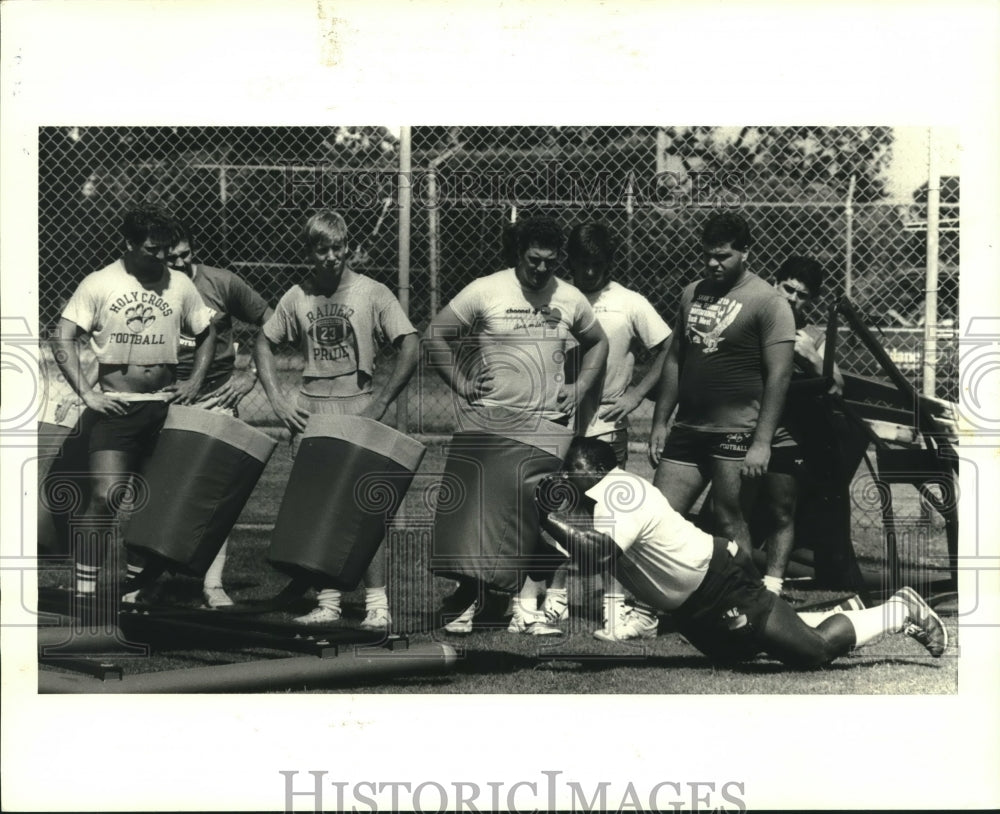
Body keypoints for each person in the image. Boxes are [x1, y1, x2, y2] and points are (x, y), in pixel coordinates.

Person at [540, 436, 948, 665]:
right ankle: (844, 609)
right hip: (693, 609)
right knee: (753, 649)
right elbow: (575, 552)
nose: (565, 478)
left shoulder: (617, 492)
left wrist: (545, 517)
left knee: (813, 652)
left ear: (592, 469)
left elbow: (600, 556)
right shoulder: (602, 500)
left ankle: (900, 611)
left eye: (570, 470)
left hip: (719, 583)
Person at [424, 215, 609, 635]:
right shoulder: (486, 289)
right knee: (482, 522)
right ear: (518, 254)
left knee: (538, 523)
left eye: (550, 261)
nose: (541, 269)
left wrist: (580, 387)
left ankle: (524, 610)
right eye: (533, 260)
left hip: (546, 427)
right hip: (491, 422)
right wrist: (461, 381)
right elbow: (434, 334)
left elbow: (599, 342)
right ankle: (470, 600)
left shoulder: (572, 298)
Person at [254, 209, 419, 629]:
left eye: (337, 247)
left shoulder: (372, 292)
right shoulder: (297, 296)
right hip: (312, 412)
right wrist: (278, 399)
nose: (330, 256)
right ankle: (328, 602)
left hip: (358, 404)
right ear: (309, 251)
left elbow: (411, 345)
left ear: (348, 248)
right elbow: (263, 342)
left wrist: (380, 403)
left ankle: (376, 604)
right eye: (321, 249)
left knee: (364, 509)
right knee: (318, 509)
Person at [51, 202, 216, 606]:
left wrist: (193, 381)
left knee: (157, 501)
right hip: (117, 409)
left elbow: (208, 331)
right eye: (151, 249)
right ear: (127, 244)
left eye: (165, 248)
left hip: (165, 408)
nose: (161, 257)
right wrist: (87, 394)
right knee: (106, 495)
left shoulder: (179, 284)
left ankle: (135, 588)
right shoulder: (100, 282)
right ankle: (85, 590)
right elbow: (63, 336)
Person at [543, 221, 671, 641]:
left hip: (606, 428)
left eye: (598, 264)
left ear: (609, 263)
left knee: (609, 518)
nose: (590, 273)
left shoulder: (630, 303)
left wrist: (635, 395)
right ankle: (554, 598)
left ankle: (613, 607)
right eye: (582, 264)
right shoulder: (555, 297)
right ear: (571, 262)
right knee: (557, 511)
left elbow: (668, 347)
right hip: (557, 424)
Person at [648, 212, 795, 556]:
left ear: (746, 252)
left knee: (729, 521)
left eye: (723, 256)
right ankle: (650, 607)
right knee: (658, 519)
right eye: (708, 255)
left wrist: (761, 443)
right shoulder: (691, 294)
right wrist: (659, 421)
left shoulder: (769, 302)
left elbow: (780, 376)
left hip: (736, 432)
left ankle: (748, 607)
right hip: (689, 428)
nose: (713, 263)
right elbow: (674, 359)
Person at [160, 222, 273, 607]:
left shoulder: (222, 283)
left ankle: (213, 584)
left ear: (194, 249)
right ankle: (149, 579)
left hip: (217, 395)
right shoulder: (147, 287)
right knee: (161, 491)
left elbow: (273, 322)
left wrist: (252, 374)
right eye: (169, 256)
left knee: (214, 491)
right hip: (167, 396)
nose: (178, 262)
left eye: (185, 254)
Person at [760, 256, 845, 595]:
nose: (793, 298)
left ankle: (772, 586)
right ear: (774, 282)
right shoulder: (756, 317)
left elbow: (838, 385)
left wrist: (811, 356)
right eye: (788, 288)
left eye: (803, 295)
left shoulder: (812, 335)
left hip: (788, 433)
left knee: (782, 509)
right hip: (744, 423)